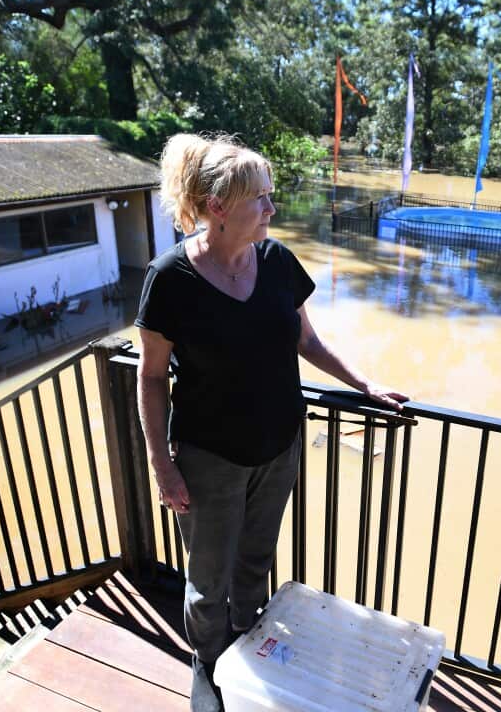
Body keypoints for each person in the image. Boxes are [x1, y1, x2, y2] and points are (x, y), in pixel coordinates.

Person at [135, 133, 408, 710]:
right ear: (219, 208)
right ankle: (210, 671)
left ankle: (248, 666)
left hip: (279, 449)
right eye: (261, 198)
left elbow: (307, 340)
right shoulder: (169, 280)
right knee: (208, 582)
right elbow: (152, 378)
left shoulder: (277, 261)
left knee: (254, 566)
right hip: (209, 460)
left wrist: (363, 383)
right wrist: (162, 464)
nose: (271, 208)